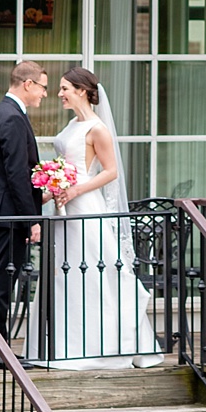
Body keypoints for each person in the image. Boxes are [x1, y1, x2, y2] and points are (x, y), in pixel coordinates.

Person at [47, 66, 163, 368]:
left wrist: (76, 190)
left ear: (82, 91)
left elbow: (111, 171)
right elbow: (66, 165)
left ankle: (107, 345)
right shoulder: (73, 124)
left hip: (86, 206)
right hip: (65, 206)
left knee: (96, 272)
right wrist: (52, 187)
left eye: (65, 89)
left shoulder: (97, 128)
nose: (60, 94)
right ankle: (66, 343)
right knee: (67, 272)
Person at [0, 61, 47, 358]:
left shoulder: (6, 112)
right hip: (11, 214)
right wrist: (31, 220)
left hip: (8, 211)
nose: (44, 95)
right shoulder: (10, 117)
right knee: (2, 283)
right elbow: (17, 174)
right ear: (28, 84)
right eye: (43, 87)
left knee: (1, 279)